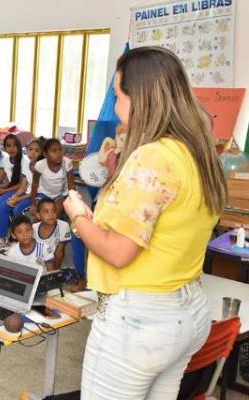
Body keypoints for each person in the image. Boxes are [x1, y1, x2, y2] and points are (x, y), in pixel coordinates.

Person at [63, 46, 227, 399]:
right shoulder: (196, 151)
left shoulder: (152, 156)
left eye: (118, 96)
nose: (117, 108)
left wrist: (77, 213)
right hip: (186, 311)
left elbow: (119, 252)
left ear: (139, 98)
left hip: (139, 321)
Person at [31, 138, 75, 218]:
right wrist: (33, 204)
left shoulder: (67, 163)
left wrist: (74, 201)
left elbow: (71, 185)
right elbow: (34, 184)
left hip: (60, 194)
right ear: (45, 154)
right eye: (54, 151)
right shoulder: (40, 165)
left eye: (60, 150)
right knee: (39, 216)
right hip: (44, 193)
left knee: (54, 215)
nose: (59, 153)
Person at [33, 198, 71, 269]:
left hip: (52, 263)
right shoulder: (33, 228)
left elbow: (59, 253)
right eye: (46, 211)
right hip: (36, 263)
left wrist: (54, 273)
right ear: (38, 215)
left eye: (54, 211)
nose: (51, 214)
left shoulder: (63, 226)